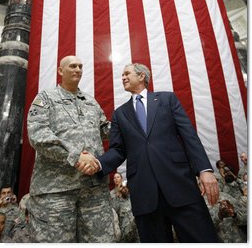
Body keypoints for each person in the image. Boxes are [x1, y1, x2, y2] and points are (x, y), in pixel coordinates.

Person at [78, 63, 220, 243]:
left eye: (127, 73)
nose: (123, 77)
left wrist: (204, 170)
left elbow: (189, 136)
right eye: (122, 75)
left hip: (180, 186)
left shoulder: (167, 100)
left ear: (142, 76)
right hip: (144, 194)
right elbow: (118, 149)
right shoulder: (120, 114)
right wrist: (99, 163)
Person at [26, 55, 115, 243]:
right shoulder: (45, 98)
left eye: (80, 66)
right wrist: (76, 157)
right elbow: (38, 135)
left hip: (94, 188)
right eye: (73, 66)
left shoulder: (90, 102)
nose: (78, 70)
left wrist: (129, 122)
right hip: (56, 190)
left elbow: (105, 130)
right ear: (60, 71)